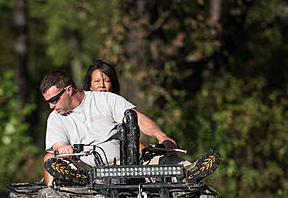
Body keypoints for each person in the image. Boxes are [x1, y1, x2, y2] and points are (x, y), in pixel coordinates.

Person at [40, 70, 218, 186]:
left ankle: (189, 172)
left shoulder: (105, 100)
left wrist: (161, 136)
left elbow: (136, 118)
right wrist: (63, 148)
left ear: (69, 90)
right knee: (56, 162)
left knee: (161, 160)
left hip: (126, 165)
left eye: (54, 100)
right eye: (48, 102)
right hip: (87, 168)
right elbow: (58, 145)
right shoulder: (55, 118)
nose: (51, 106)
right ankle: (79, 180)